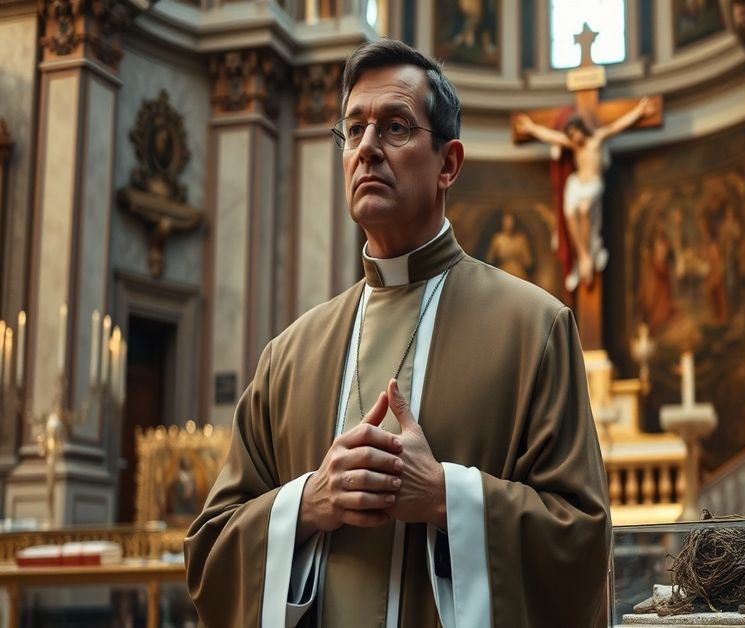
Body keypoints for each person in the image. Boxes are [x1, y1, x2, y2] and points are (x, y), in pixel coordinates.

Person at [185, 39, 610, 628]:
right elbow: (209, 551)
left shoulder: (534, 330)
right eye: (353, 129)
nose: (366, 148)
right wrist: (310, 502)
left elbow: (584, 542)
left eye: (395, 128)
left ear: (448, 164)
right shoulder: (288, 356)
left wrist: (444, 497)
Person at [517, 97, 653, 290]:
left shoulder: (596, 139)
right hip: (577, 183)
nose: (574, 139)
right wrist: (531, 128)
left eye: (575, 134)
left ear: (581, 129)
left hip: (593, 184)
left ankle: (588, 254)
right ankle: (582, 255)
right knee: (571, 214)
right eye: (570, 136)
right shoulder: (574, 145)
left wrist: (638, 112)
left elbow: (617, 126)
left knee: (585, 209)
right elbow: (551, 136)